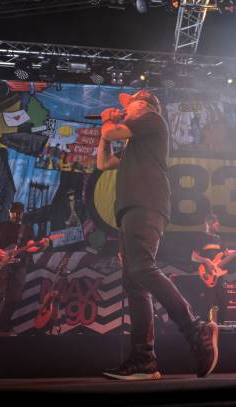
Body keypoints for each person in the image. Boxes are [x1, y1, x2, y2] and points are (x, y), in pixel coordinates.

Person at [96, 90, 219, 380]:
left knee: (142, 269)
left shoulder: (152, 119)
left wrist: (107, 124)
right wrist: (104, 135)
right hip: (130, 211)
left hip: (145, 204)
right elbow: (103, 163)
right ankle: (143, 360)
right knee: (134, 282)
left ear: (145, 105)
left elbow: (115, 130)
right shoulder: (135, 145)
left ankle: (196, 329)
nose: (125, 110)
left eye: (130, 105)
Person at [0, 202, 49, 332]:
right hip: (1, 265)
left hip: (19, 266)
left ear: (23, 213)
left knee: (15, 297)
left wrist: (42, 246)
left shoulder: (27, 229)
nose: (16, 214)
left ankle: (4, 323)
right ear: (9, 212)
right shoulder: (0, 226)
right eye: (14, 211)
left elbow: (30, 247)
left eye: (19, 212)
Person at [191, 213, 233, 323]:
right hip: (206, 276)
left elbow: (226, 253)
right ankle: (205, 327)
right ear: (208, 223)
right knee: (207, 303)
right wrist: (205, 260)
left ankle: (222, 327)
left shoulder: (219, 239)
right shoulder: (201, 238)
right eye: (216, 223)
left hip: (219, 275)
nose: (218, 225)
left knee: (223, 302)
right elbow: (193, 257)